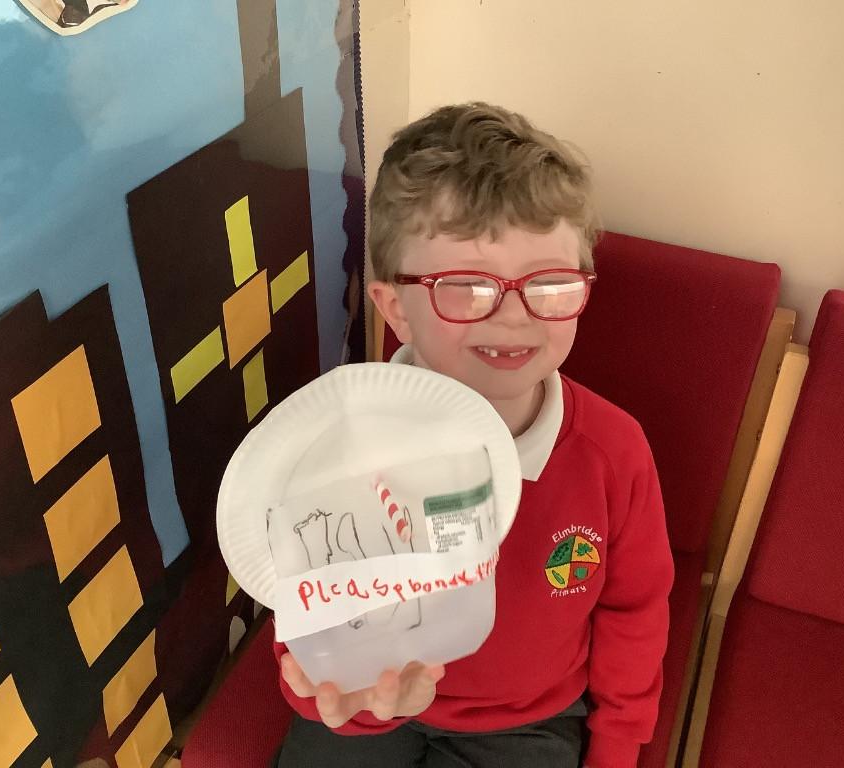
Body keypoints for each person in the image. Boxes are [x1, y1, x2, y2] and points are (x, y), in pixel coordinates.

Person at [274, 102, 673, 768]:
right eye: (464, 286)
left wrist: (616, 748)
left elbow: (635, 610)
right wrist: (348, 700)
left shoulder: (614, 451)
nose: (514, 317)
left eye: (549, 283)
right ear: (397, 309)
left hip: (530, 719)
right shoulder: (340, 447)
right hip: (377, 702)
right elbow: (310, 619)